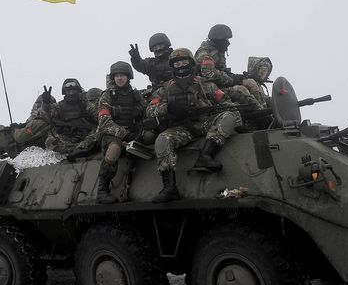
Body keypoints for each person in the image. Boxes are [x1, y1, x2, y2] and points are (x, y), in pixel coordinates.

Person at [147, 48, 242, 203]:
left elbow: (227, 104)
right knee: (162, 141)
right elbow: (150, 110)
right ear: (173, 66)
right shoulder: (165, 89)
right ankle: (169, 187)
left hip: (206, 123)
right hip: (182, 128)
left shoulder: (206, 85)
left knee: (229, 116)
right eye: (177, 63)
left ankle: (206, 155)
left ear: (191, 64)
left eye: (184, 62)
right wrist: (169, 108)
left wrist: (213, 108)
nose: (181, 65)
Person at [94, 61, 147, 203]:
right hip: (111, 135)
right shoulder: (107, 96)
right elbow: (104, 122)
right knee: (114, 148)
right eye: (116, 76)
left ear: (128, 77)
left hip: (133, 132)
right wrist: (124, 134)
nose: (119, 78)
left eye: (122, 75)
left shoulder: (136, 95)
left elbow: (145, 114)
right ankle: (102, 190)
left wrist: (139, 130)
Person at [0, 91, 57, 158]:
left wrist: (14, 129)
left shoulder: (39, 121)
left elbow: (19, 137)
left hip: (20, 150)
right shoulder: (51, 121)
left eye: (38, 105)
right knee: (7, 133)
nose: (36, 107)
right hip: (27, 148)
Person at [40, 78, 98, 156]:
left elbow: (97, 116)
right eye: (69, 91)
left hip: (87, 135)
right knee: (50, 142)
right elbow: (47, 114)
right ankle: (75, 149)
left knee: (99, 131)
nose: (71, 93)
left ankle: (82, 148)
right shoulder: (59, 106)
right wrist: (46, 104)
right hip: (68, 137)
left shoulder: (85, 104)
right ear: (65, 92)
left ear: (78, 91)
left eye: (74, 90)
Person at [194, 24, 239, 89]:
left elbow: (221, 70)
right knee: (240, 90)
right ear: (219, 39)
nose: (228, 42)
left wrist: (237, 77)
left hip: (216, 85)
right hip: (206, 87)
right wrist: (233, 80)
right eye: (226, 39)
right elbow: (209, 74)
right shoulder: (205, 53)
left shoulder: (217, 51)